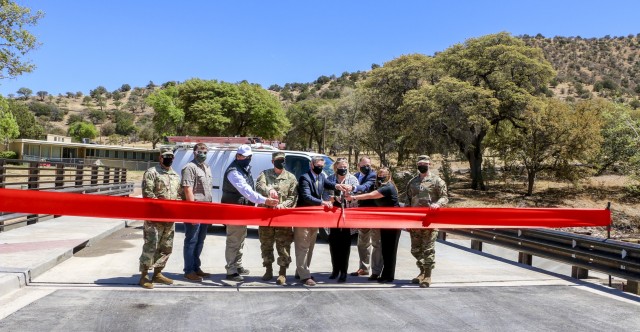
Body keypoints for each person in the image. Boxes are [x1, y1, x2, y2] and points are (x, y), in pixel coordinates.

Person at [222, 145, 279, 282]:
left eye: (248, 157)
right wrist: (264, 200)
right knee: (234, 240)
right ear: (237, 156)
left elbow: (251, 189)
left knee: (241, 238)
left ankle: (237, 264)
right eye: (243, 156)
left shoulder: (244, 169)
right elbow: (246, 190)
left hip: (243, 210)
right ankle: (231, 270)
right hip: (234, 210)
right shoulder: (233, 172)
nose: (246, 159)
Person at [295, 156, 351, 286]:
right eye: (318, 165)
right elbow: (306, 196)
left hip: (314, 218)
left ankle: (302, 270)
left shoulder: (320, 177)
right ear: (311, 165)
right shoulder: (305, 178)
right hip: (303, 217)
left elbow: (327, 183)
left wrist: (337, 185)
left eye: (322, 165)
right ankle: (304, 275)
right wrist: (323, 202)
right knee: (302, 246)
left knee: (310, 246)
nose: (320, 168)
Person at [138, 147, 181, 289]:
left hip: (169, 219)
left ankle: (157, 273)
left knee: (166, 248)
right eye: (166, 156)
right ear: (160, 157)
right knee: (150, 246)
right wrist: (163, 207)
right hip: (154, 219)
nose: (169, 159)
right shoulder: (152, 173)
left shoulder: (175, 175)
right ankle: (144, 275)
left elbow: (179, 195)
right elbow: (147, 194)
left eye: (171, 156)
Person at [350, 167, 401, 283]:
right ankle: (386, 274)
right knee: (386, 250)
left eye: (384, 174)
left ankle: (388, 276)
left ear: (389, 176)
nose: (381, 176)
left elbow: (372, 195)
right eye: (379, 174)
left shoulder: (388, 187)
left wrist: (354, 197)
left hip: (393, 222)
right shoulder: (382, 186)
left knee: (390, 250)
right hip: (385, 222)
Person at [255, 152, 298, 285]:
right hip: (266, 216)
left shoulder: (291, 177)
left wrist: (282, 205)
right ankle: (268, 269)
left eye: (283, 160)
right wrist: (269, 190)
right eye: (279, 160)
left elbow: (293, 196)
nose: (281, 162)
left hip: (282, 216)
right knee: (266, 243)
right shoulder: (265, 174)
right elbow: (258, 187)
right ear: (273, 161)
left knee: (284, 245)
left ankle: (282, 273)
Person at [405, 155, 448, 288]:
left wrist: (438, 204)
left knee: (428, 249)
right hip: (415, 221)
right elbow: (407, 201)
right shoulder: (412, 182)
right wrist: (406, 220)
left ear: (429, 164)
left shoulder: (437, 181)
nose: (422, 165)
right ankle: (422, 272)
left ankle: (428, 276)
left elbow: (445, 197)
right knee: (415, 249)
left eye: (424, 163)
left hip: (430, 220)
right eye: (419, 163)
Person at [181, 143, 214, 282]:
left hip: (206, 210)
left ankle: (196, 267)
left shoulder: (207, 167)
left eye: (205, 152)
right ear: (194, 152)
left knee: (200, 241)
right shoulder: (190, 168)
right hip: (195, 209)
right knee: (191, 241)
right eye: (200, 151)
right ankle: (188, 270)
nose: (203, 154)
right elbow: (188, 190)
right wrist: (193, 212)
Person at [323, 158, 359, 282]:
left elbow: (357, 194)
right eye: (340, 167)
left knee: (345, 245)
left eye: (345, 166)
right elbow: (325, 195)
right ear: (336, 167)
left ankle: (344, 271)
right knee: (334, 245)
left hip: (347, 217)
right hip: (333, 216)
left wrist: (350, 195)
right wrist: (333, 198)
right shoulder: (330, 179)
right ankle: (335, 270)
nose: (343, 169)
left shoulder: (353, 179)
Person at [349, 156, 382, 280]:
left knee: (376, 242)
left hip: (373, 213)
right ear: (359, 165)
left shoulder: (373, 176)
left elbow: (366, 187)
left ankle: (376, 270)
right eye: (364, 165)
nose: (367, 167)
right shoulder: (355, 176)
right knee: (362, 241)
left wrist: (353, 188)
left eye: (369, 165)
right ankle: (363, 268)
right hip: (361, 213)